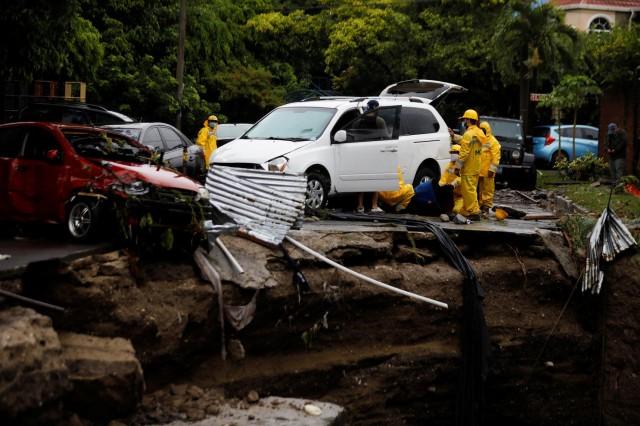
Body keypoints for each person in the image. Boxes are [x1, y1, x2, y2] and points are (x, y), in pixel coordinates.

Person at [453, 109, 486, 221]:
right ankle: (470, 209)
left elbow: (464, 153)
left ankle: (474, 212)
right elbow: (465, 141)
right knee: (471, 190)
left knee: (468, 191)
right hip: (476, 166)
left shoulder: (468, 134)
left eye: (464, 119)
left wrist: (457, 167)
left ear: (467, 119)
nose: (464, 121)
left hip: (468, 167)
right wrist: (454, 136)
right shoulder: (479, 133)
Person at [356, 100, 386, 213]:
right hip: (375, 152)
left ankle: (360, 206)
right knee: (375, 179)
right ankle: (374, 206)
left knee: (361, 180)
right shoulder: (380, 121)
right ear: (376, 108)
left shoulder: (358, 120)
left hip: (361, 153)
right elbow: (386, 136)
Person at [478, 121, 501, 214]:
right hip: (478, 170)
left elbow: (496, 157)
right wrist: (454, 136)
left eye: (483, 130)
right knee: (479, 190)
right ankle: (479, 206)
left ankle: (486, 207)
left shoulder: (493, 141)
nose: (482, 131)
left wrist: (492, 169)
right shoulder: (478, 139)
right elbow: (465, 141)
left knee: (488, 190)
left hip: (488, 172)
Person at [439, 144, 463, 215]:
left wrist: (453, 184)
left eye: (455, 152)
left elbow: (462, 178)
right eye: (452, 153)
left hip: (461, 196)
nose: (453, 154)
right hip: (451, 193)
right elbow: (444, 176)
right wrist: (441, 184)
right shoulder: (450, 164)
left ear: (459, 153)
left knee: (456, 210)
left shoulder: (463, 165)